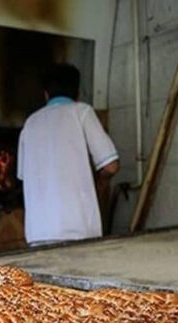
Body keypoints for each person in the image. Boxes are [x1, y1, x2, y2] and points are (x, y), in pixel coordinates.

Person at [17, 63, 119, 247]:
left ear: (46, 93)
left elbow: (24, 177)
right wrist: (100, 180)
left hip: (37, 233)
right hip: (78, 230)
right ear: (77, 92)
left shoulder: (30, 123)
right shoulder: (82, 112)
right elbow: (111, 166)